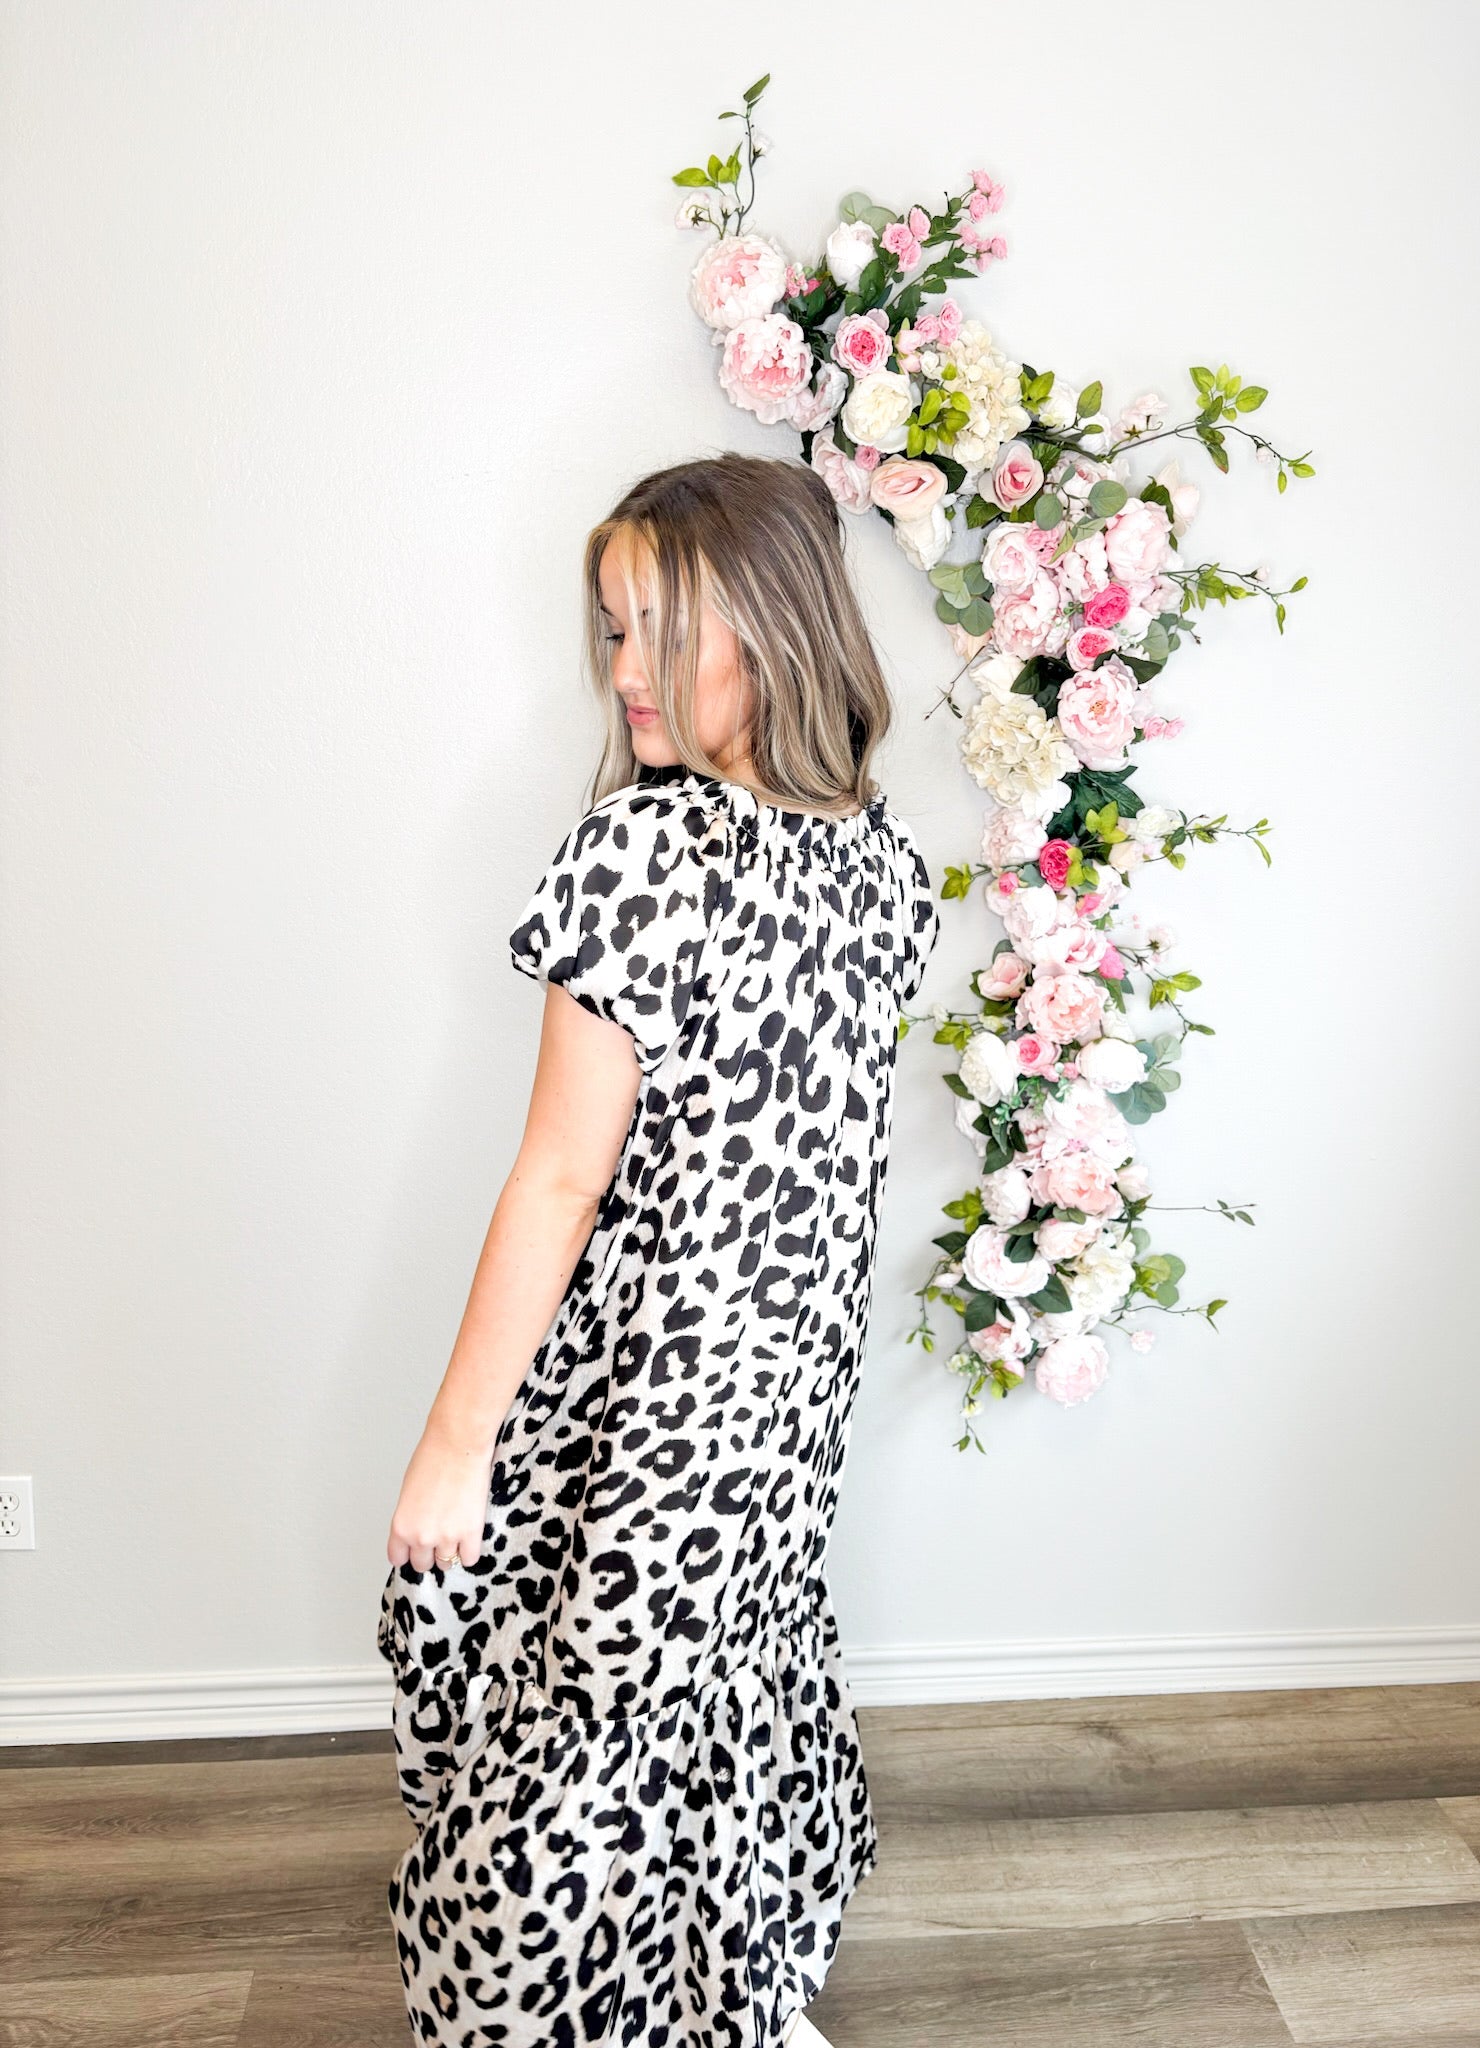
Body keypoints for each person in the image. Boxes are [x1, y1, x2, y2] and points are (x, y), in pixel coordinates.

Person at [377, 450, 940, 2048]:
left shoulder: (648, 858)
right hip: (772, 1377)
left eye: (660, 632)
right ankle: (734, 1987)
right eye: (613, 629)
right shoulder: (881, 861)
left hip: (679, 1392)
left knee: (601, 1710)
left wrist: (452, 1446)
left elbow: (561, 1181)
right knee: (704, 1681)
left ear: (774, 629)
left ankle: (619, 2010)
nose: (624, 671)